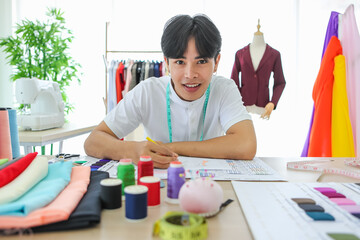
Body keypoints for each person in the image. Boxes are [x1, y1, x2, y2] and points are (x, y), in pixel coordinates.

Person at [84, 14, 257, 169]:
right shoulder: (147, 91)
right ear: (166, 63)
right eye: (180, 62)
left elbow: (246, 144)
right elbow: (93, 142)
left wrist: (171, 148)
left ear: (216, 62)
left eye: (202, 61)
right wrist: (133, 150)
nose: (190, 74)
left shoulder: (224, 89)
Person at [231, 19, 286, 120]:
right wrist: (237, 101)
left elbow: (280, 82)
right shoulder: (240, 54)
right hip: (243, 108)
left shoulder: (274, 54)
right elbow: (233, 80)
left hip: (264, 108)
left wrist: (273, 102)